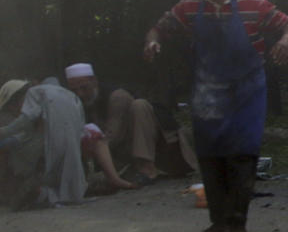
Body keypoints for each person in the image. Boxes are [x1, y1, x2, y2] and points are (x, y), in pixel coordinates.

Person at [143, 0, 288, 232]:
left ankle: (238, 225)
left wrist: (285, 42)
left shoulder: (254, 4)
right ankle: (219, 219)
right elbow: (158, 28)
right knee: (210, 154)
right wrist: (151, 42)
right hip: (207, 90)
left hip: (247, 90)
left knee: (243, 152)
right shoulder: (189, 7)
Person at [0, 78, 135, 209]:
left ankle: (111, 179)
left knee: (92, 134)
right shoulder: (3, 119)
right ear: (13, 102)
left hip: (50, 161)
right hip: (25, 169)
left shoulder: (46, 108)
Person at [64, 63, 198, 186]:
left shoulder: (118, 97)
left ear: (94, 81)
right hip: (127, 156)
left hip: (165, 152)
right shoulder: (80, 104)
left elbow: (111, 138)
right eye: (74, 90)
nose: (80, 94)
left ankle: (147, 169)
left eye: (83, 88)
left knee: (139, 106)